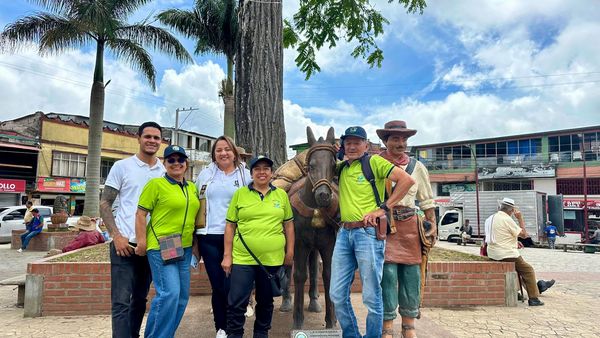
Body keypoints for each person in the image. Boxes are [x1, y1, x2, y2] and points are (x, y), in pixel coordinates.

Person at [330, 126, 415, 338]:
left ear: (366, 145)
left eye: (357, 142)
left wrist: (384, 208)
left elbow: (406, 180)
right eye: (347, 143)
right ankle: (351, 335)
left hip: (367, 233)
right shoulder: (341, 169)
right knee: (337, 294)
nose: (351, 146)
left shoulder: (374, 162)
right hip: (344, 233)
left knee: (370, 293)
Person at [100, 121, 165, 338]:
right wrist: (116, 236)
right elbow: (105, 204)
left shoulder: (164, 171)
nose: (152, 141)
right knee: (120, 302)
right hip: (124, 245)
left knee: (140, 299)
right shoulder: (122, 166)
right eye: (148, 136)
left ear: (161, 142)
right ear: (138, 138)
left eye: (156, 138)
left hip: (151, 247)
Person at [222, 155, 295, 338]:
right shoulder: (240, 194)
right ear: (252, 172)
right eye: (257, 169)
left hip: (272, 259)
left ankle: (261, 334)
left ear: (271, 173)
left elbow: (289, 225)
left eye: (266, 169)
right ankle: (234, 335)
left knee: (266, 301)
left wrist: (290, 251)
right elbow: (230, 225)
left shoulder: (281, 195)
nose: (262, 172)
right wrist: (227, 255)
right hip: (242, 258)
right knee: (236, 302)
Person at [376, 121, 436, 338]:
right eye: (395, 139)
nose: (400, 143)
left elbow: (427, 200)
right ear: (385, 141)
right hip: (385, 227)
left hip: (410, 225)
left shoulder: (417, 167)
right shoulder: (376, 164)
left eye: (403, 139)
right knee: (388, 276)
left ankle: (409, 325)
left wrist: (432, 225)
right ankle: (387, 326)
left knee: (411, 275)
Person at [134, 145, 200, 338]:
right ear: (165, 163)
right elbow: (140, 214)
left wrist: (196, 246)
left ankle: (166, 335)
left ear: (186, 164)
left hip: (185, 246)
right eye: (171, 160)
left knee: (181, 298)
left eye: (180, 160)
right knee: (169, 294)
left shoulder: (192, 187)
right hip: (163, 244)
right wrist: (142, 242)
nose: (176, 163)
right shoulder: (156, 184)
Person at [195, 136, 250, 338]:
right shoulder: (205, 174)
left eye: (227, 149)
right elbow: (196, 204)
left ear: (234, 152)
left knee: (234, 286)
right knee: (218, 286)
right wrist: (194, 240)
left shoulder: (246, 175)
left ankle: (235, 326)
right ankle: (222, 328)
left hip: (237, 237)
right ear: (214, 154)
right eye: (219, 150)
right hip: (209, 237)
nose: (223, 153)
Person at [486, 197, 555, 306]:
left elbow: (500, 235)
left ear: (501, 207)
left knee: (519, 270)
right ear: (511, 211)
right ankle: (534, 298)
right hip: (505, 253)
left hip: (492, 252)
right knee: (528, 270)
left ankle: (537, 287)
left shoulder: (490, 218)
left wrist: (514, 242)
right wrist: (520, 218)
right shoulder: (507, 219)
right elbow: (524, 235)